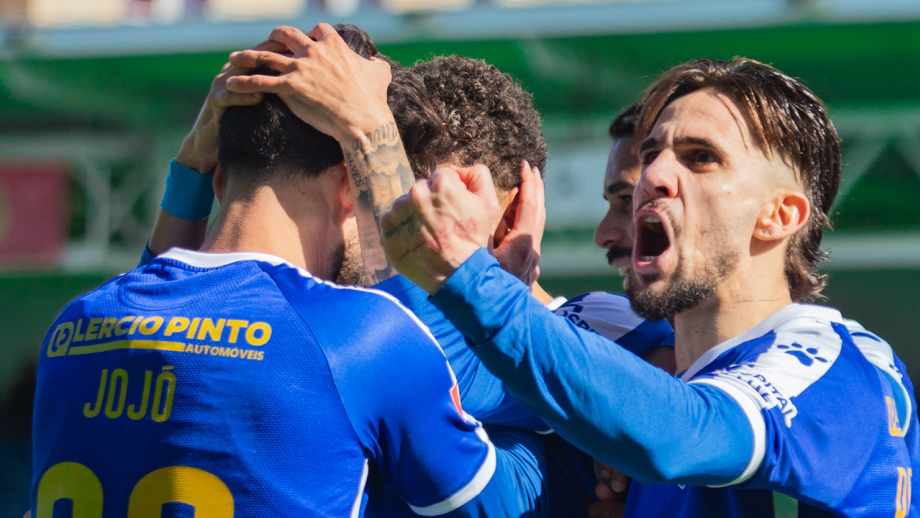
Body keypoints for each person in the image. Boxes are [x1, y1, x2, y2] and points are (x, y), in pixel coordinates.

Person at [30, 24, 546, 517]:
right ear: (352, 186)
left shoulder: (76, 327)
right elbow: (503, 505)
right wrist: (503, 302)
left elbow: (156, 292)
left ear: (218, 175)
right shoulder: (363, 340)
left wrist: (188, 166)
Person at [379, 57, 919, 516]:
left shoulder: (838, 366)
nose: (653, 176)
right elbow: (436, 404)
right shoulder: (645, 391)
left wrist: (468, 277)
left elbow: (684, 434)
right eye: (654, 152)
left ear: (779, 215)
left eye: (701, 157)